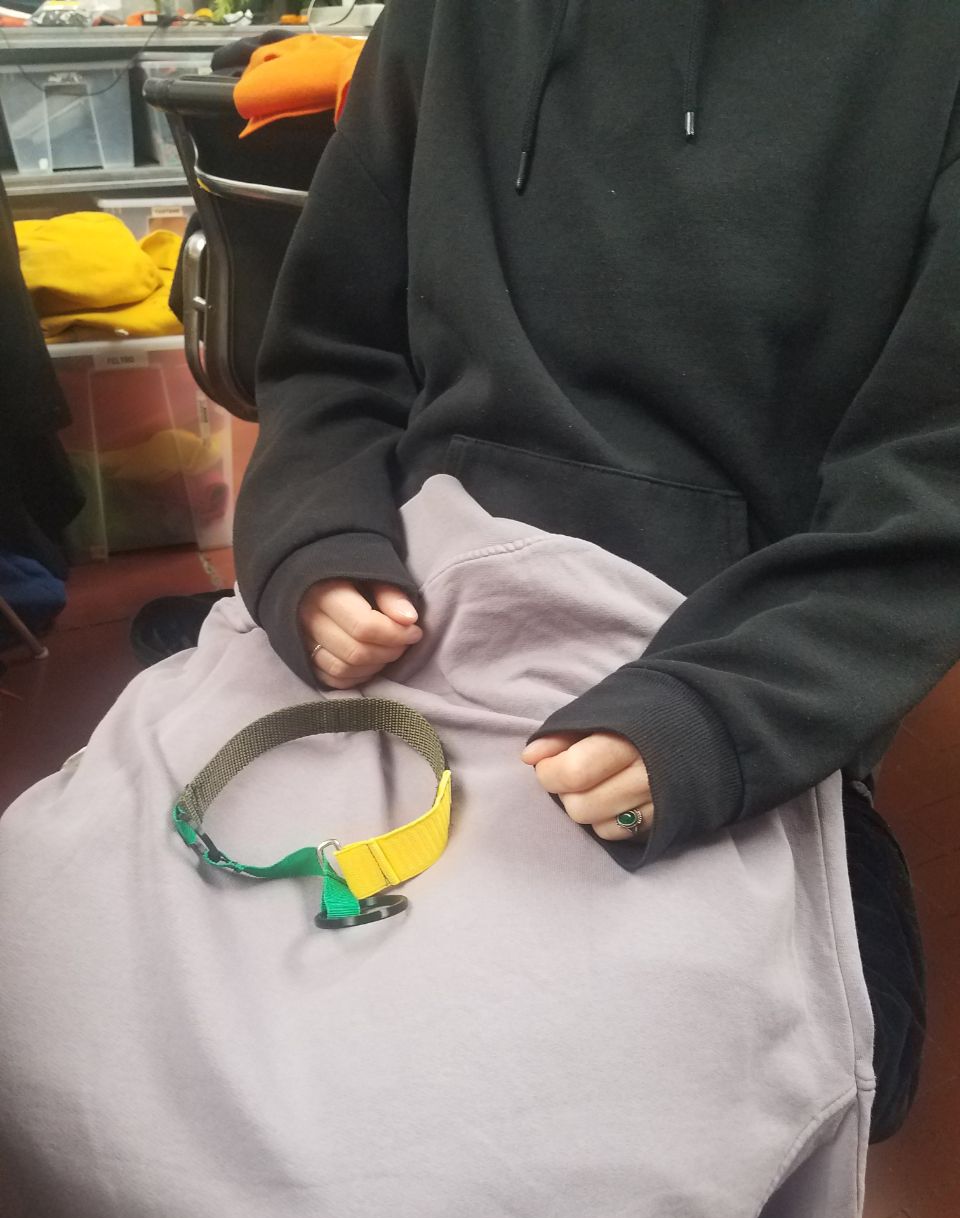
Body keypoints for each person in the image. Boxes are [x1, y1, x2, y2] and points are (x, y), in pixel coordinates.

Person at [234, 1, 951, 1133]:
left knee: (670, 1111)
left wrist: (725, 715)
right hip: (404, 625)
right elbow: (332, 352)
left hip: (728, 656)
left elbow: (935, 479)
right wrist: (313, 538)